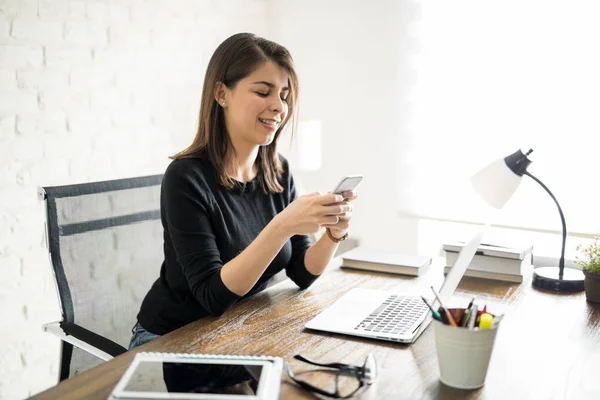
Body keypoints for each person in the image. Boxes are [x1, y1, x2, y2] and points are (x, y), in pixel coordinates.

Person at [129, 32, 358, 351]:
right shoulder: (185, 178)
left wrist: (335, 233)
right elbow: (213, 295)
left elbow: (303, 272)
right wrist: (283, 225)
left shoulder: (277, 171)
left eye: (284, 95)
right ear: (221, 93)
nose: (279, 107)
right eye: (263, 91)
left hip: (238, 331)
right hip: (173, 338)